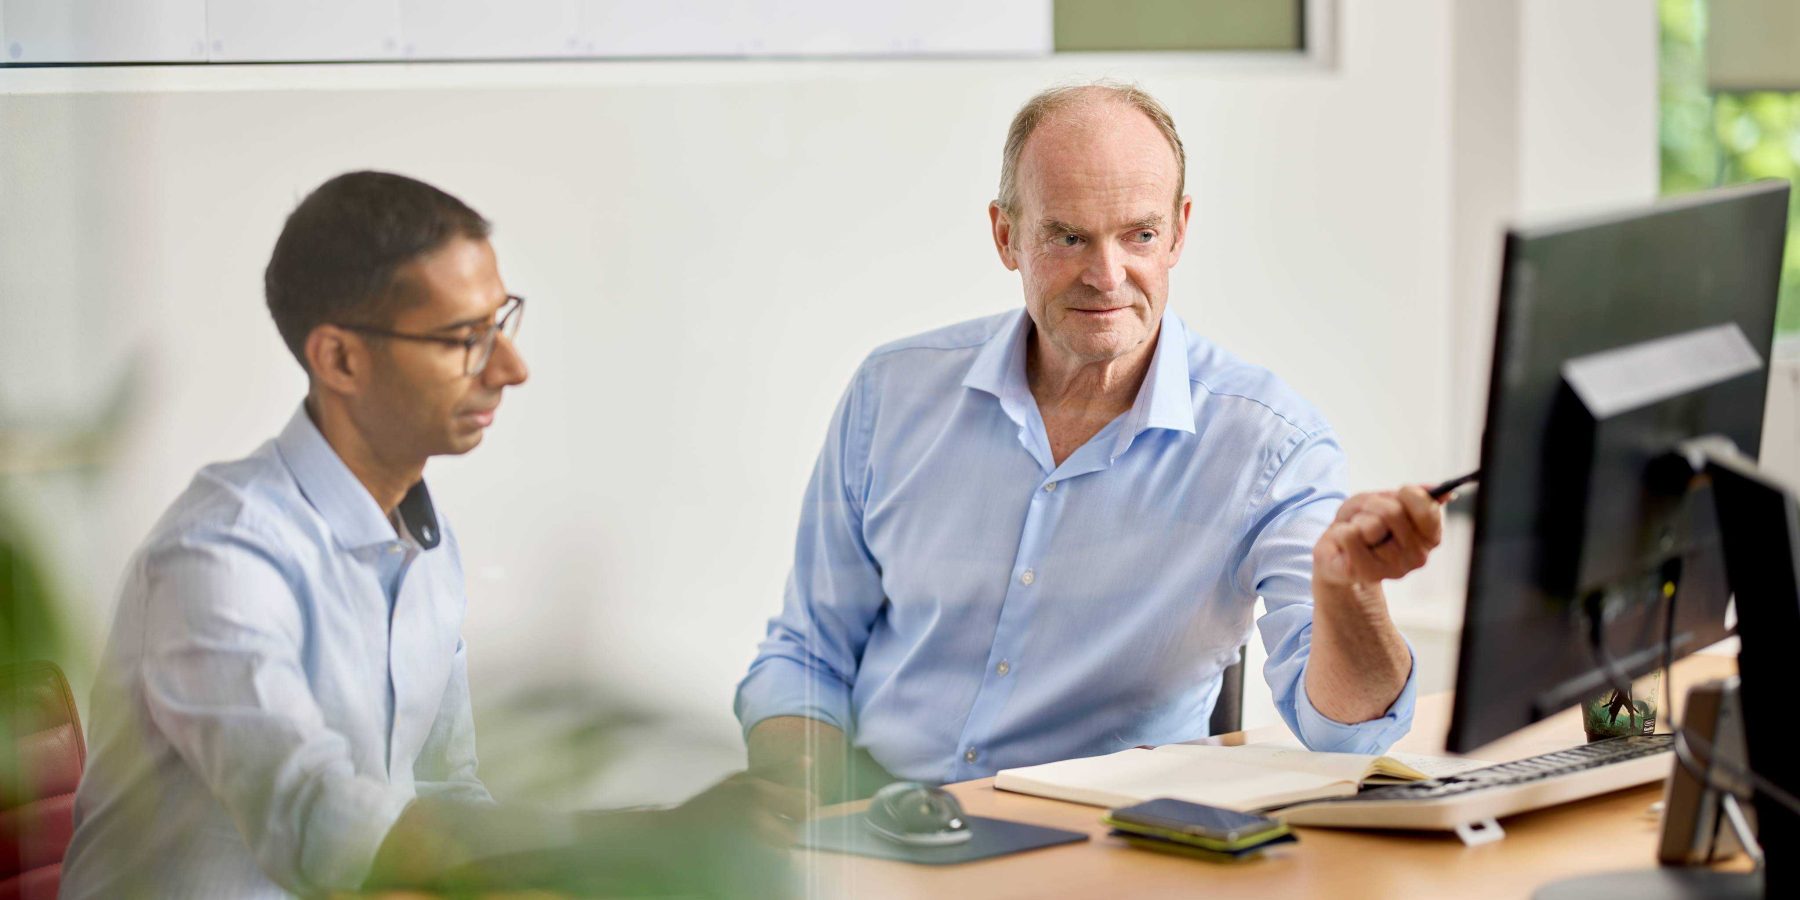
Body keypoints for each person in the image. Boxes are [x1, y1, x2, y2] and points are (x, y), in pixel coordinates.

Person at [62, 171, 795, 898]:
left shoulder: (422, 540)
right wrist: (643, 838)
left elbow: (449, 800)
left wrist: (656, 833)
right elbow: (323, 825)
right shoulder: (218, 558)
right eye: (463, 340)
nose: (511, 368)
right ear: (341, 359)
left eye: (501, 322)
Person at [736, 83, 1441, 802]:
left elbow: (1351, 733)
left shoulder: (1270, 448)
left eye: (1138, 234)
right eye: (1068, 236)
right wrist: (816, 819)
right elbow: (806, 656)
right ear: (1006, 236)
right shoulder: (890, 394)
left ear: (1178, 232)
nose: (1106, 277)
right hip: (878, 820)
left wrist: (1351, 593)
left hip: (1095, 844)